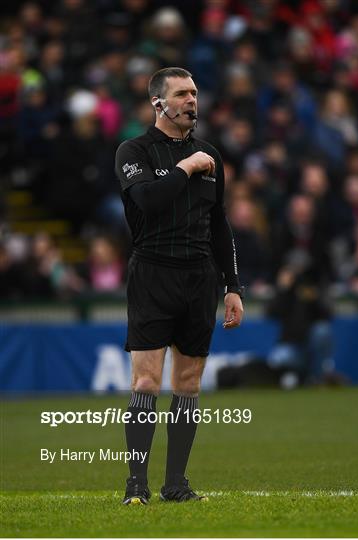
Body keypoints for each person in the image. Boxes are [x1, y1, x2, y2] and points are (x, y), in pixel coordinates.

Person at [114, 67, 244, 505]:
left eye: (194, 93)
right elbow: (148, 201)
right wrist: (186, 167)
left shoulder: (210, 155)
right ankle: (136, 485)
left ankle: (176, 484)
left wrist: (233, 286)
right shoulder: (134, 151)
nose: (192, 100)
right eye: (182, 94)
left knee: (187, 385)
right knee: (146, 383)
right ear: (158, 104)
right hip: (153, 274)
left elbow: (219, 224)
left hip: (199, 278)